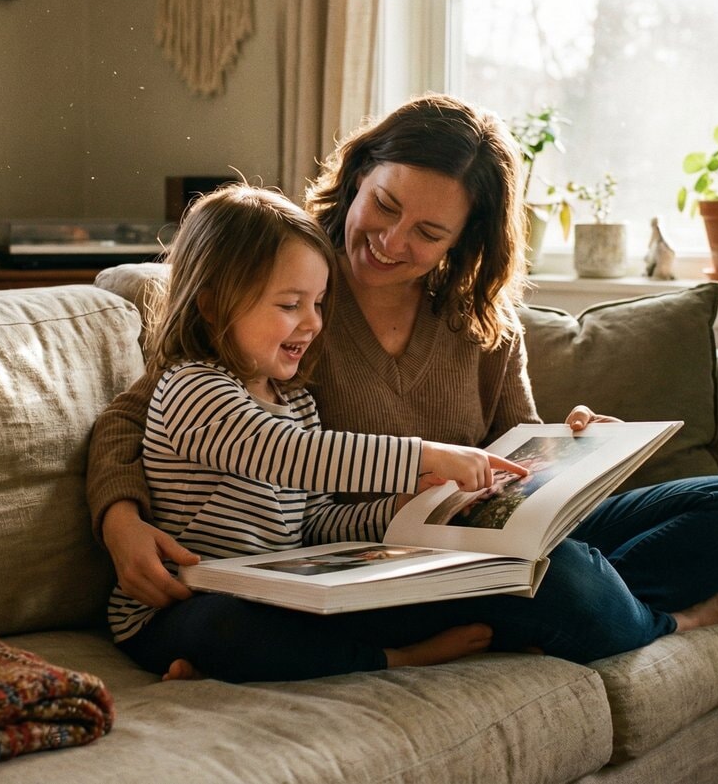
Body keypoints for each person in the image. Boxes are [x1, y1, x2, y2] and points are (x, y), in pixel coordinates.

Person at [90, 92, 718, 679]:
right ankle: (636, 615)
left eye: (427, 231)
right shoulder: (281, 285)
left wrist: (569, 450)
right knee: (565, 579)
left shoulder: (480, 322)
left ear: (464, 239)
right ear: (359, 175)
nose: (391, 240)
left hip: (469, 537)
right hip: (373, 575)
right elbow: (135, 415)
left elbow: (518, 464)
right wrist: (119, 520)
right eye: (384, 205)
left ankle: (567, 606)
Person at [108, 184, 531, 682]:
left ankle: (222, 671)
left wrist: (395, 513)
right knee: (229, 626)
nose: (312, 323)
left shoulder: (298, 404)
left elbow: (314, 522)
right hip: (174, 609)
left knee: (334, 606)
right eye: (290, 305)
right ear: (213, 306)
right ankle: (395, 661)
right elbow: (287, 454)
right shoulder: (192, 389)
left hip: (271, 593)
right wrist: (423, 456)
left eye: (319, 303)